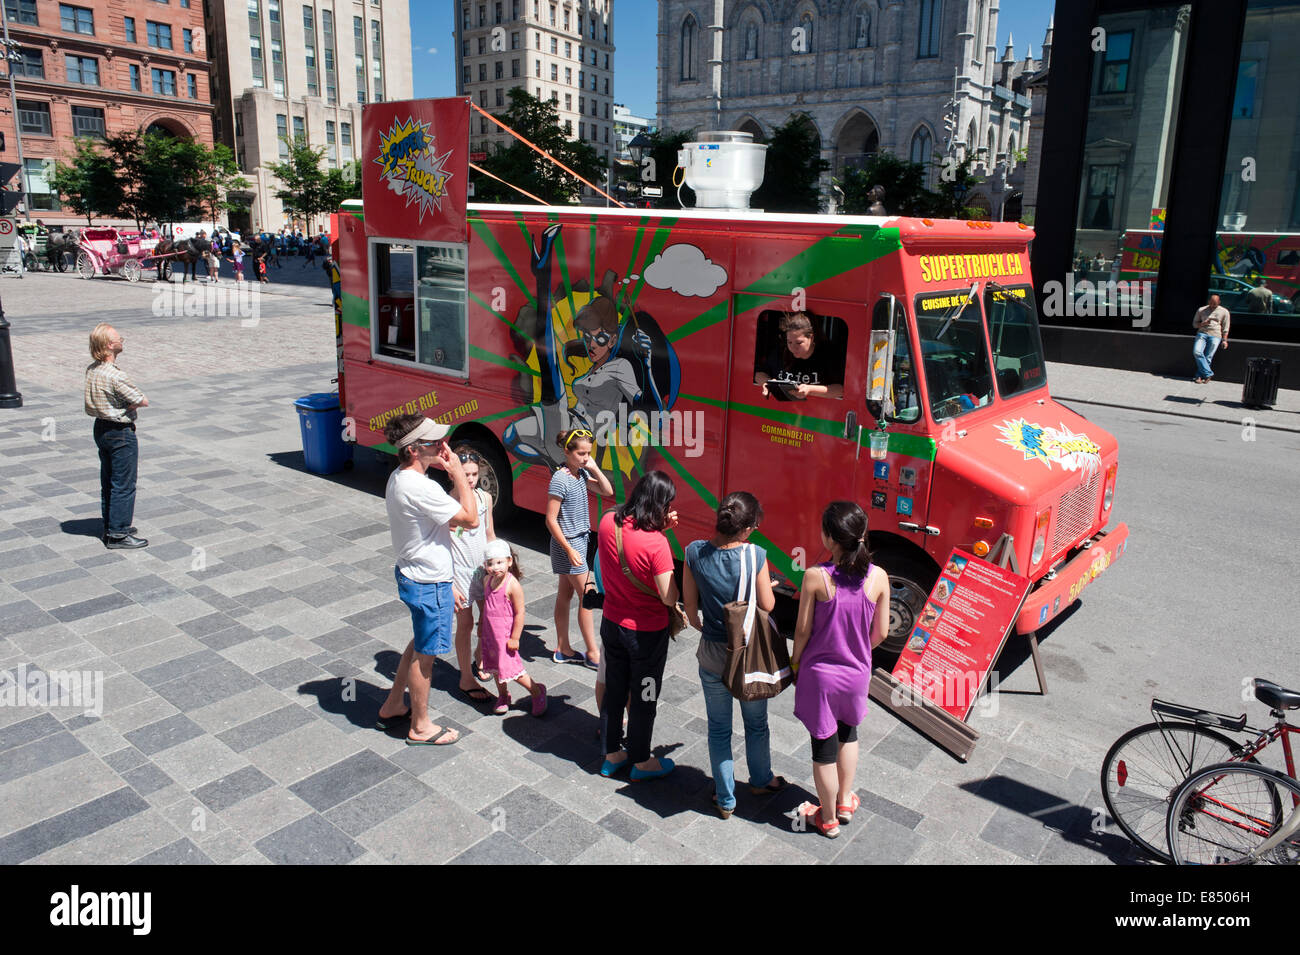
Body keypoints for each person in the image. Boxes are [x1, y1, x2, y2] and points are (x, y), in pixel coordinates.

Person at [377, 414, 479, 745]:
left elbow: (442, 522)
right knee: (426, 657)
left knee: (420, 640)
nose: (443, 446)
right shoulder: (422, 486)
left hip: (412, 573)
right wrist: (458, 475)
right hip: (430, 581)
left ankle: (394, 704)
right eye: (435, 443)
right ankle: (420, 726)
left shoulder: (398, 478)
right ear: (414, 450)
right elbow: (470, 519)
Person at [683, 491, 786, 818]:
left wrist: (703, 625)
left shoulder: (693, 553)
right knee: (756, 724)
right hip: (747, 657)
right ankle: (760, 779)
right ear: (745, 529)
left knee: (718, 728)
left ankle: (725, 799)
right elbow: (768, 605)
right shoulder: (755, 556)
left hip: (712, 653)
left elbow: (690, 608)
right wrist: (764, 584)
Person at [790, 501, 889, 838]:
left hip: (820, 675)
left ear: (829, 538)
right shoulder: (878, 577)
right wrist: (859, 650)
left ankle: (827, 818)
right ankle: (845, 801)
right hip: (857, 673)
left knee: (823, 746)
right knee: (849, 733)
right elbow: (882, 633)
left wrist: (794, 661)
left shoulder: (815, 577)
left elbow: (802, 630)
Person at [596, 470, 680, 781]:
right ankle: (642, 761)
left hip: (612, 623)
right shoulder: (656, 544)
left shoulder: (608, 522)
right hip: (645, 635)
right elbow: (669, 597)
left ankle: (611, 754)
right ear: (659, 505)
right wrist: (664, 537)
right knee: (645, 696)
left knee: (614, 690)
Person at [546, 428, 613, 666]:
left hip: (580, 540)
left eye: (588, 453)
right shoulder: (561, 479)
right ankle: (593, 653)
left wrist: (593, 468)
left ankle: (563, 648)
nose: (585, 458)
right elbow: (551, 519)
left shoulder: (581, 475)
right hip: (570, 544)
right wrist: (569, 549)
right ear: (567, 451)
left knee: (565, 594)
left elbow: (607, 490)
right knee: (589, 596)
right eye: (581, 454)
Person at [85, 324, 149, 549]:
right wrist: (128, 406)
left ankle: (111, 525)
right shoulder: (114, 375)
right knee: (123, 483)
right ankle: (119, 533)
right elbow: (143, 399)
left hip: (100, 428)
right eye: (118, 338)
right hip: (120, 432)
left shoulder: (92, 369)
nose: (122, 339)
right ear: (110, 346)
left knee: (109, 480)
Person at [477, 539, 548, 717]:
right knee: (494, 667)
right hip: (490, 635)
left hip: (505, 637)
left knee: (512, 670)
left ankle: (537, 691)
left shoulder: (512, 584)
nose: (495, 567)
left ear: (509, 561)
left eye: (500, 562)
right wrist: (481, 625)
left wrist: (515, 637)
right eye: (490, 563)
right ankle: (503, 695)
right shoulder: (487, 580)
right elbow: (486, 606)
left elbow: (520, 612)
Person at [448, 450, 495, 703]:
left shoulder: (484, 498)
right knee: (465, 624)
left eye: (475, 474)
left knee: (489, 619)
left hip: (482, 571)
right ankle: (466, 675)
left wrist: (498, 563)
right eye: (465, 474)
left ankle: (481, 655)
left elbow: (489, 533)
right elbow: (444, 545)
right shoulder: (447, 503)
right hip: (460, 572)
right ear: (452, 474)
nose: (470, 479)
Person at [755, 311, 844, 400]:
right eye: (789, 342)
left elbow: (841, 389)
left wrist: (810, 389)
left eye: (799, 343)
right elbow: (759, 373)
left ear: (811, 338)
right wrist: (767, 383)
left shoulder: (828, 355)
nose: (793, 348)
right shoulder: (781, 351)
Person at [1191, 293, 1230, 384]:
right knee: (1197, 352)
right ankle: (1208, 373)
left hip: (1215, 335)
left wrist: (1224, 340)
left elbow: (1226, 327)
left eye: (1215, 304)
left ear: (1219, 302)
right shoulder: (1201, 310)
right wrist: (1202, 324)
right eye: (1211, 303)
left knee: (1208, 356)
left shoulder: (1224, 311)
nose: (1213, 305)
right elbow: (1194, 324)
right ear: (1209, 301)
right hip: (1202, 333)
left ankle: (1199, 376)